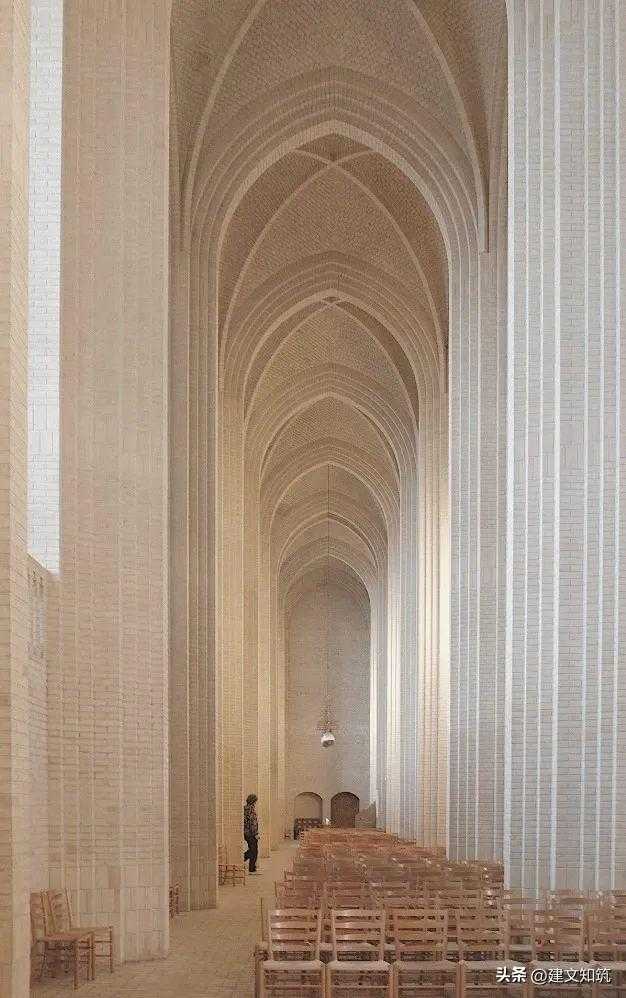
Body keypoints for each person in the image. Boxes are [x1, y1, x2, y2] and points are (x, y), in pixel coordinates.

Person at [243, 793, 259, 874]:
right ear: (253, 801)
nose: (256, 803)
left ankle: (252, 867)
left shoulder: (245, 808)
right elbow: (252, 823)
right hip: (251, 833)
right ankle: (251, 868)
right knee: (254, 851)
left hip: (246, 833)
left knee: (252, 850)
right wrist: (256, 834)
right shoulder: (251, 809)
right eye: (255, 801)